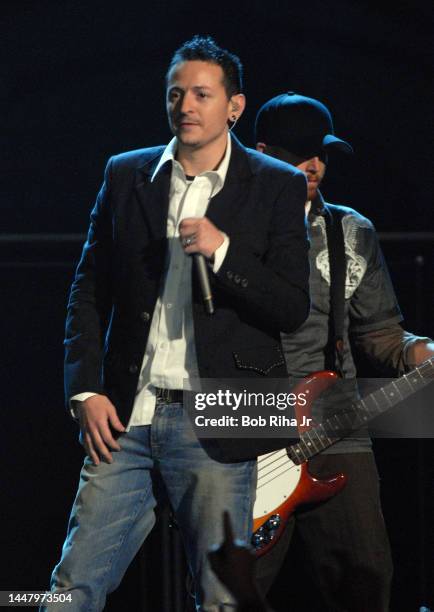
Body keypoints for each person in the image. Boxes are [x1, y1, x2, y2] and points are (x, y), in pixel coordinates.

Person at [44, 41, 310, 611]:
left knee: (220, 597)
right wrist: (84, 388)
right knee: (70, 590)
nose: (185, 105)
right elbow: (88, 290)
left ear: (233, 106)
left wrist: (223, 252)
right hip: (127, 415)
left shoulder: (276, 183)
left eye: (201, 94)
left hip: (220, 410)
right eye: (176, 94)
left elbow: (291, 307)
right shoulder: (126, 174)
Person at [254, 92, 434, 612]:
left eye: (322, 153)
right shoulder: (230, 229)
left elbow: (381, 335)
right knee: (230, 593)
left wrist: (423, 351)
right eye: (300, 153)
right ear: (261, 151)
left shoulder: (352, 231)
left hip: (338, 421)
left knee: (365, 580)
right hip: (249, 421)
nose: (315, 165)